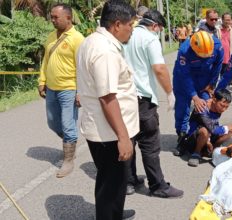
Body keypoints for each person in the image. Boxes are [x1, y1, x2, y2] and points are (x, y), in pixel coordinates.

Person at [76, 1, 138, 219]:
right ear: (117, 24)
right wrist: (123, 137)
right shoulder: (105, 52)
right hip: (109, 133)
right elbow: (108, 97)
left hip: (103, 129)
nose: (132, 29)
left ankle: (113, 213)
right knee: (111, 187)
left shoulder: (92, 41)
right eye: (130, 25)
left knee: (111, 184)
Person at [123, 9, 183, 198]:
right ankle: (158, 186)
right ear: (155, 26)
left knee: (128, 140)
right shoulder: (149, 38)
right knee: (149, 143)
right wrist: (170, 93)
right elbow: (159, 68)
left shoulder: (125, 35)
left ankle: (128, 181)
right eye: (159, 29)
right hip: (143, 100)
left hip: (124, 97)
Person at [38, 3, 84, 178]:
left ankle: (68, 160)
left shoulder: (77, 38)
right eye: (52, 17)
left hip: (69, 89)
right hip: (51, 88)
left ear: (69, 18)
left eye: (56, 17)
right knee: (52, 123)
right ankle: (69, 142)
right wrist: (42, 81)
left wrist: (80, 91)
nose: (53, 20)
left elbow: (82, 67)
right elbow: (46, 61)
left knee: (67, 123)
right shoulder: (51, 36)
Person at [172, 31, 224, 156]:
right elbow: (185, 76)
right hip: (183, 79)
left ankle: (204, 137)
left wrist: (211, 84)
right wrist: (194, 97)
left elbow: (218, 65)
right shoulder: (184, 51)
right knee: (182, 108)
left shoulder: (217, 45)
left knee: (206, 107)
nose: (206, 57)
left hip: (204, 79)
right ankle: (182, 136)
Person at [184, 89, 232, 167]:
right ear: (214, 100)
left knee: (230, 131)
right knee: (205, 131)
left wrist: (209, 141)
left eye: (227, 107)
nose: (224, 109)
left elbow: (213, 125)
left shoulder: (217, 107)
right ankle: (196, 153)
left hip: (208, 134)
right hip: (194, 138)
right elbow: (212, 129)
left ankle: (213, 150)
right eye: (222, 105)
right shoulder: (202, 107)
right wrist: (207, 141)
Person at [218, 12, 232, 81]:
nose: (228, 21)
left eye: (229, 20)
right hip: (219, 57)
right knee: (216, 75)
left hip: (228, 58)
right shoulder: (217, 30)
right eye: (226, 19)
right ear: (222, 20)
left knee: (225, 75)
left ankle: (222, 89)